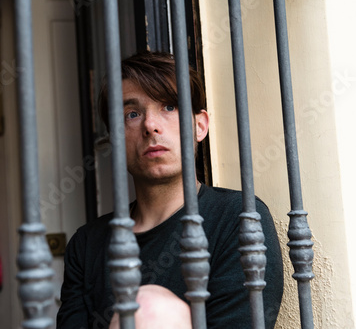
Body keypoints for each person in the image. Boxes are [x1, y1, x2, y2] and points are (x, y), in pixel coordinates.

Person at [56, 51, 283, 329]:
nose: (150, 126)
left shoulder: (239, 218)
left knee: (152, 308)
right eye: (132, 114)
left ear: (200, 126)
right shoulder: (86, 244)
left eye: (169, 107)